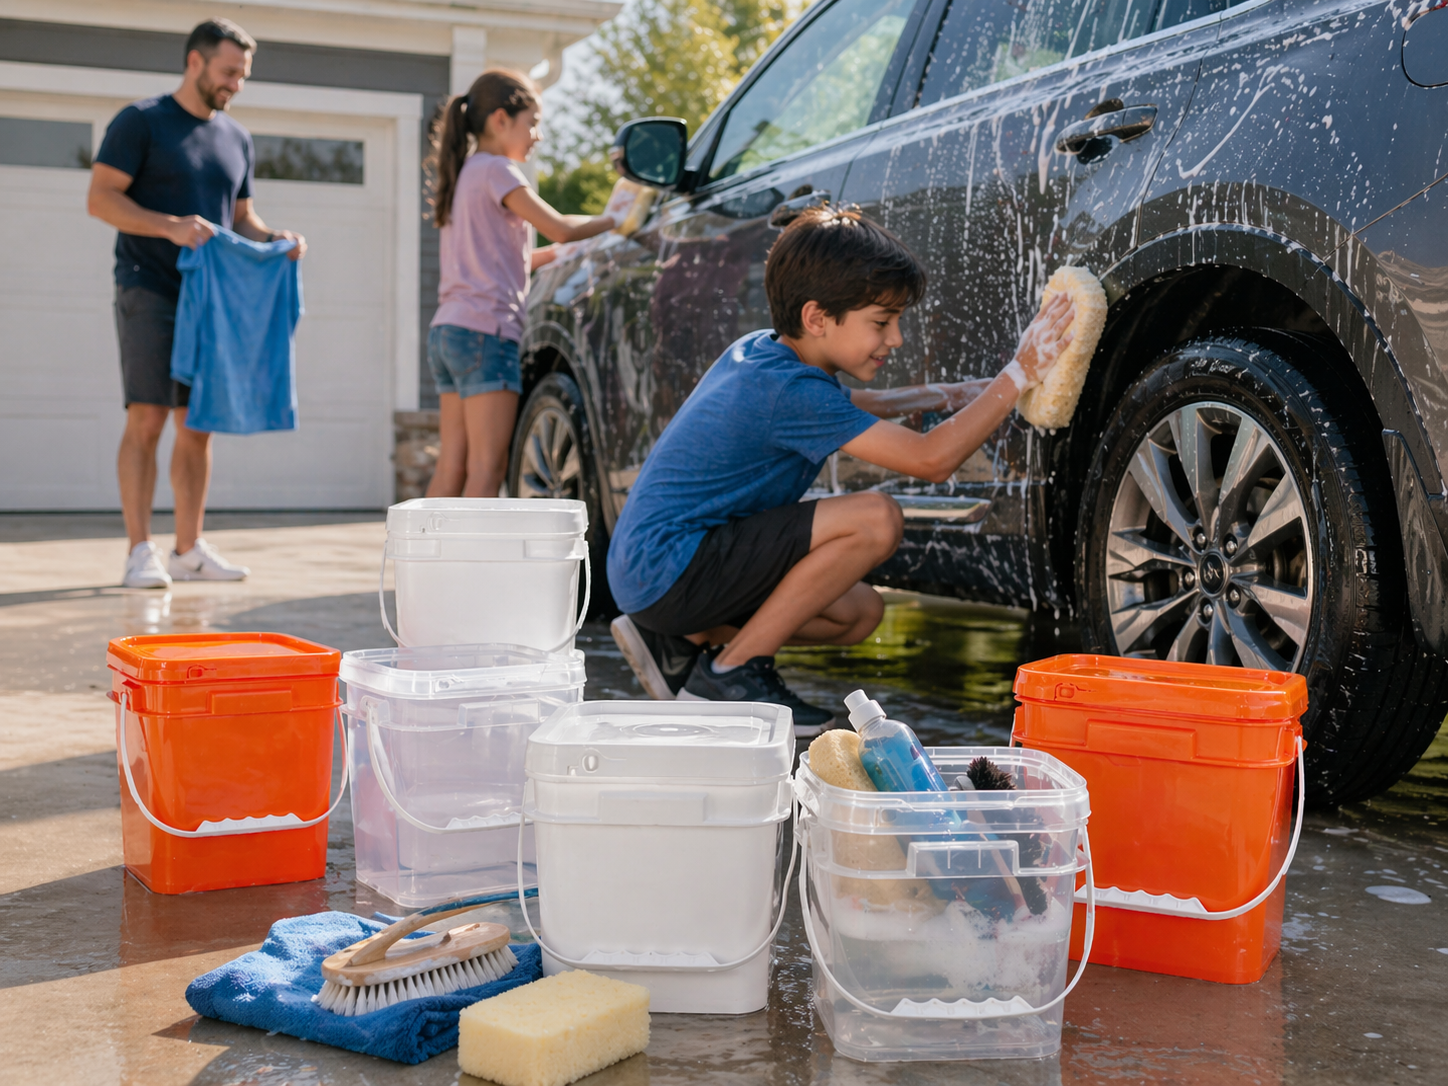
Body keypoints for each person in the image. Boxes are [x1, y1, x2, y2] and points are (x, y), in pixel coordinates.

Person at [607, 207, 1074, 732]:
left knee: (859, 613)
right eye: (880, 322)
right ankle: (730, 673)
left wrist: (952, 394)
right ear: (816, 317)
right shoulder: (792, 392)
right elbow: (931, 460)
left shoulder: (765, 354)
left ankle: (684, 642)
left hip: (653, 572)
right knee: (876, 518)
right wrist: (1019, 371)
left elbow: (853, 404)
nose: (895, 338)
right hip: (670, 571)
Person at [87, 18, 307, 589]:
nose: (236, 83)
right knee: (148, 417)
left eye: (243, 75)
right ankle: (141, 550)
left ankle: (188, 549)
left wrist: (275, 241)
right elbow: (101, 199)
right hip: (149, 285)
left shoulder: (236, 138)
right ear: (195, 62)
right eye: (229, 71)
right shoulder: (141, 122)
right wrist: (171, 227)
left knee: (198, 423)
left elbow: (242, 217)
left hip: (212, 299)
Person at [425, 70, 615, 498]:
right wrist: (618, 219)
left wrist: (557, 256)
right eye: (532, 121)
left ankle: (426, 564)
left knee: (452, 465)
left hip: (449, 331)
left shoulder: (465, 174)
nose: (538, 135)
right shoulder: (499, 171)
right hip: (486, 335)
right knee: (487, 470)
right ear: (500, 120)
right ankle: (470, 566)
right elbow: (561, 227)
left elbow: (512, 259)